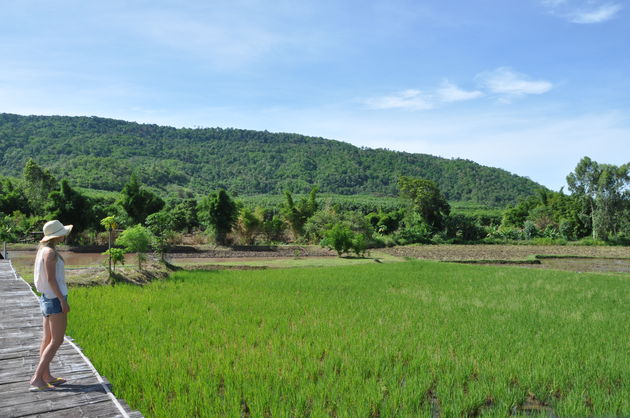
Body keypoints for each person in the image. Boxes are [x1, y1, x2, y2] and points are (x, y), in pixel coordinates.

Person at [29, 220, 73, 392]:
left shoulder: (43, 251)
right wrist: (62, 300)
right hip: (54, 299)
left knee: (47, 339)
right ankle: (37, 378)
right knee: (57, 340)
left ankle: (46, 376)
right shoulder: (50, 253)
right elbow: (51, 279)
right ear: (57, 235)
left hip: (46, 298)